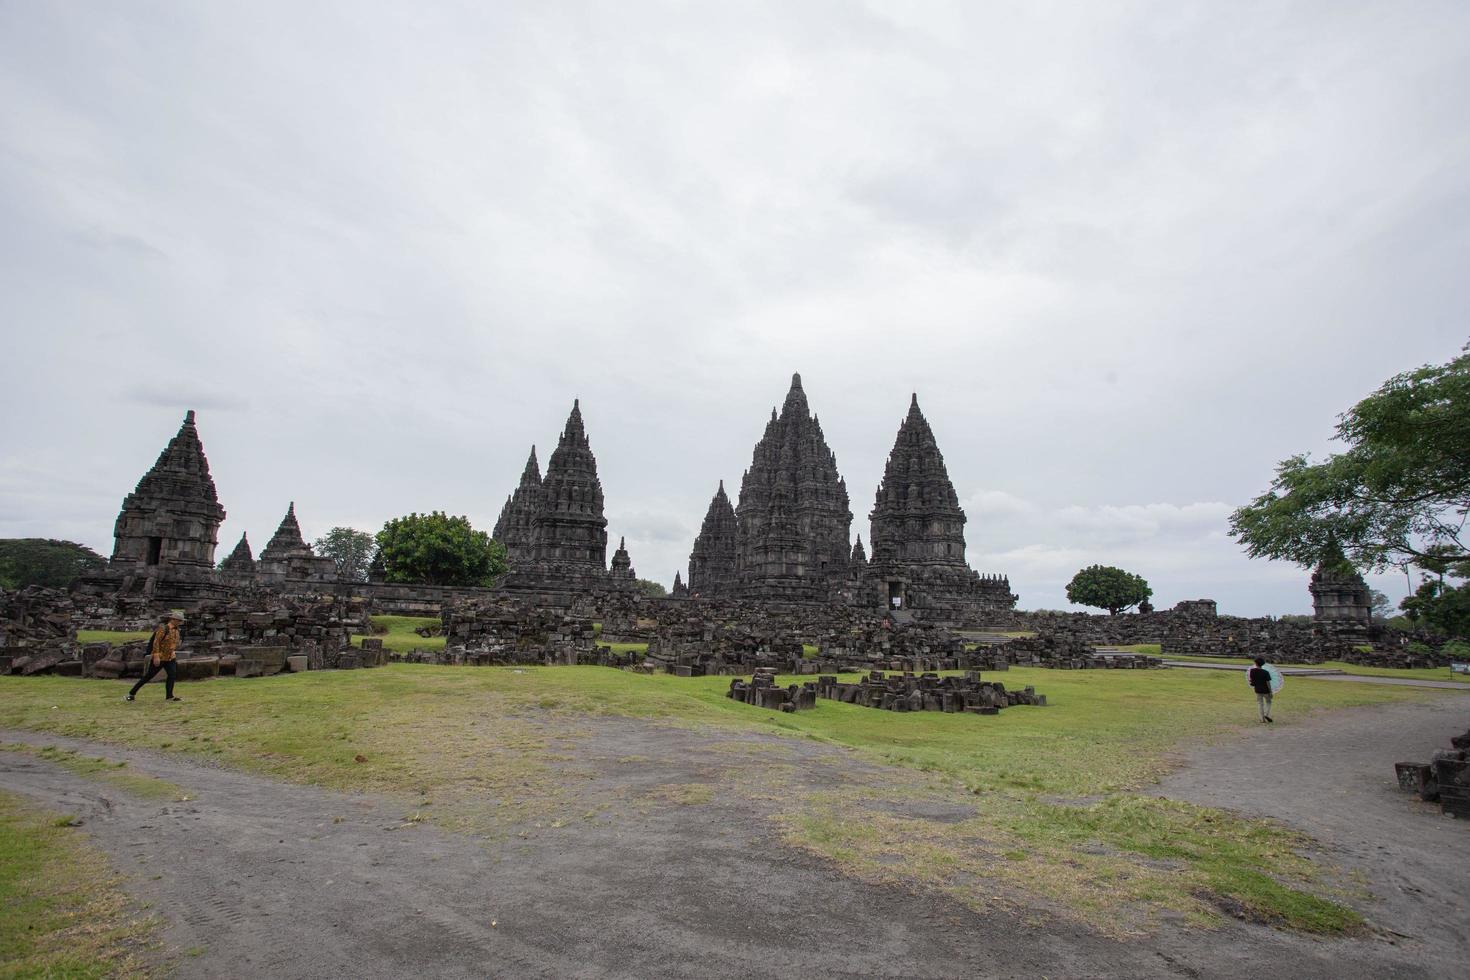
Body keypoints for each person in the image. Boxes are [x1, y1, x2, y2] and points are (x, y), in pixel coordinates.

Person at [126, 611, 185, 702]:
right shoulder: (163, 629)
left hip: (170, 657)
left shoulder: (177, 630)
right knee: (149, 676)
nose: (180, 622)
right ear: (172, 620)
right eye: (178, 620)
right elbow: (156, 642)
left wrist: (173, 651)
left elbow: (174, 643)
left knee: (172, 675)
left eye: (180, 621)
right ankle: (131, 693)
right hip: (160, 656)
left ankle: (169, 696)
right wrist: (156, 656)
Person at [1247, 657, 1274, 723]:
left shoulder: (1252, 671)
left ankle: (1262, 719)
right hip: (1266, 690)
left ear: (1256, 663)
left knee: (1260, 704)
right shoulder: (1266, 672)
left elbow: (1252, 682)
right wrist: (1270, 692)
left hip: (1258, 690)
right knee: (1268, 702)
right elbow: (1268, 683)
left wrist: (1250, 681)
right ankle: (1266, 714)